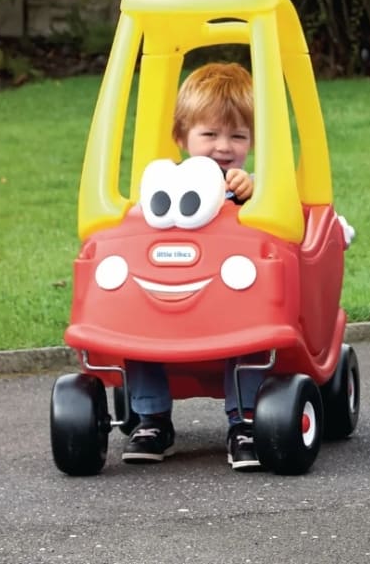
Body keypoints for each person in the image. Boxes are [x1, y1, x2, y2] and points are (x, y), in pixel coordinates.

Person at [122, 62, 265, 471]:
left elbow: (269, 221)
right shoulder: (167, 185)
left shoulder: (246, 186)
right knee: (133, 324)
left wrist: (250, 193)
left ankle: (245, 421)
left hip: (231, 300)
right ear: (181, 137)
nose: (224, 147)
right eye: (210, 134)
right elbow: (139, 225)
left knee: (253, 332)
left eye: (238, 136)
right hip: (171, 290)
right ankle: (151, 419)